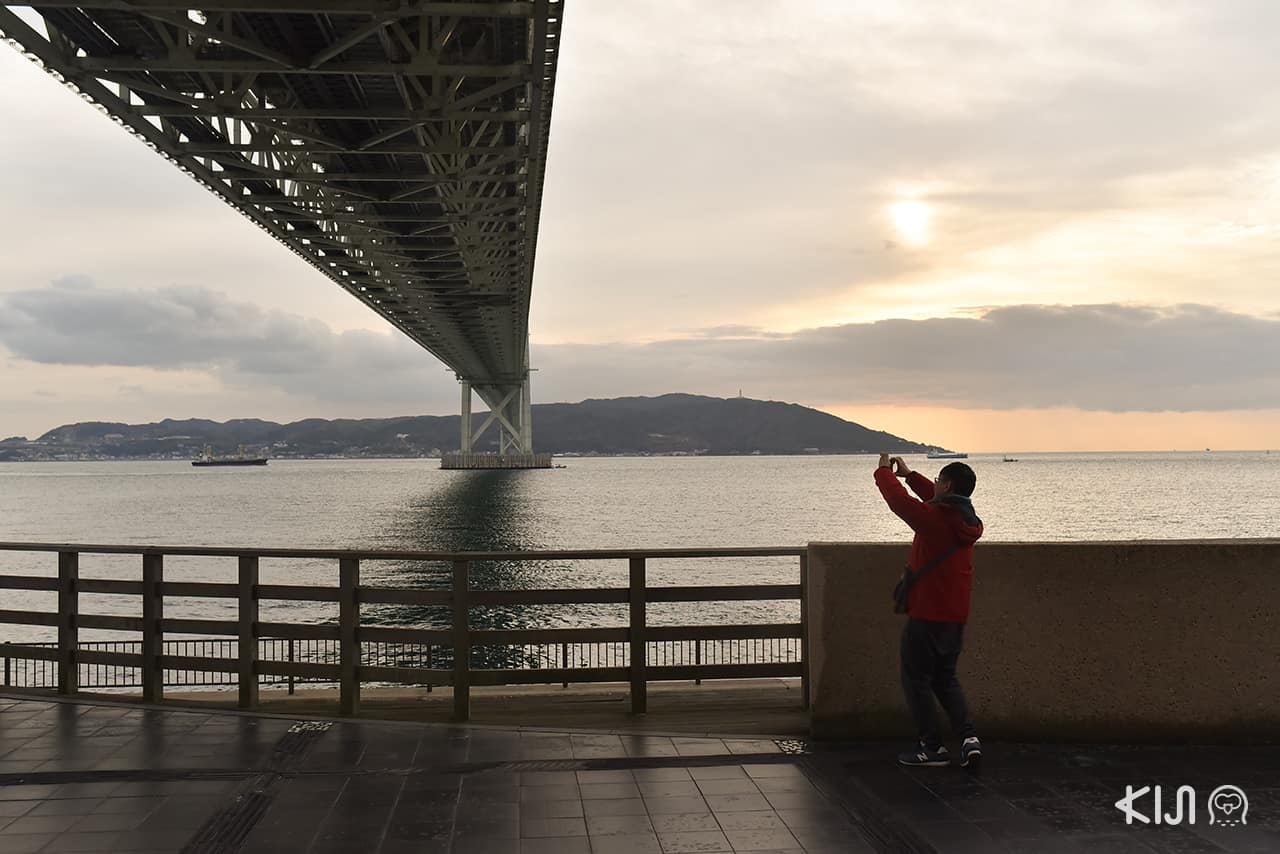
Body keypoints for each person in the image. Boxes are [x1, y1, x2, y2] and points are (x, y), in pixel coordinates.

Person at [875, 453, 984, 768]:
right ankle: (968, 738)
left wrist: (884, 471)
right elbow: (937, 502)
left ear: (947, 484)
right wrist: (910, 475)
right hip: (955, 614)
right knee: (945, 677)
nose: (934, 484)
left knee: (916, 679)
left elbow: (900, 503)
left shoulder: (936, 521)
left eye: (938, 480)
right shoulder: (965, 518)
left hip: (927, 612)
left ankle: (931, 747)